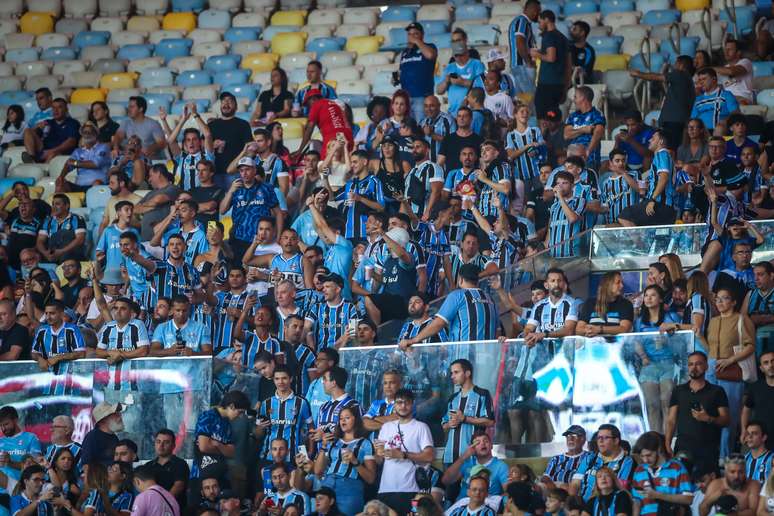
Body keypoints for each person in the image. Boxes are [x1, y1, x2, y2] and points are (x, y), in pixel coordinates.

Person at [399, 264, 498, 349]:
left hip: (463, 357)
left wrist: (414, 340)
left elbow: (439, 323)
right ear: (477, 279)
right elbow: (497, 331)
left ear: (460, 279)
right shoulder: (491, 299)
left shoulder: (458, 295)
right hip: (488, 358)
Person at [666, 351, 730, 472]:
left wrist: (708, 418)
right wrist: (667, 444)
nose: (694, 367)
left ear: (706, 366)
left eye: (698, 364)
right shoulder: (678, 390)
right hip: (682, 448)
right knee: (682, 485)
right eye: (690, 364)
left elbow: (726, 420)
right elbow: (671, 420)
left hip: (708, 449)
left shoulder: (717, 391)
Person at [375, 388, 434, 515]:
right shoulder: (386, 427)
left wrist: (403, 455)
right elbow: (379, 460)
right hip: (385, 488)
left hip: (411, 489)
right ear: (394, 405)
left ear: (412, 403)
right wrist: (378, 453)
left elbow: (429, 456)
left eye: (406, 402)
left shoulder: (421, 427)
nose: (403, 406)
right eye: (399, 402)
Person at [313, 406, 376, 515]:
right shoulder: (333, 441)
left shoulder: (365, 444)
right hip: (327, 484)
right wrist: (323, 446)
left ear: (356, 420)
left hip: (350, 487)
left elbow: (371, 479)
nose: (343, 420)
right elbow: (318, 471)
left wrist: (355, 461)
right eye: (341, 418)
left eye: (347, 417)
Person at [219, 157, 281, 260]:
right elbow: (222, 210)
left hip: (261, 239)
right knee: (239, 271)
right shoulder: (236, 188)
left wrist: (278, 237)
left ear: (254, 170)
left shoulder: (266, 188)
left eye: (247, 169)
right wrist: (230, 191)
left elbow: (278, 213)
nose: (244, 173)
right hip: (239, 238)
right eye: (241, 170)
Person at [618, 130, 677, 227]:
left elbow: (664, 178)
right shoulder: (664, 156)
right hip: (666, 207)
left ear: (660, 142)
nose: (649, 140)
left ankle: (639, 243)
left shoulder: (661, 154)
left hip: (660, 204)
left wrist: (652, 200)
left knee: (625, 215)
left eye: (653, 138)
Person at [441, 359, 495, 466]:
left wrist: (465, 419)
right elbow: (444, 424)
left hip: (473, 457)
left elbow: (490, 422)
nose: (452, 376)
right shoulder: (453, 398)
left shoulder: (482, 394)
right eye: (452, 373)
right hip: (450, 456)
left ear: (467, 373)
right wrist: (449, 424)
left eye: (456, 372)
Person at [630, 431, 694, 516]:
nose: (645, 460)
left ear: (659, 449)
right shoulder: (639, 470)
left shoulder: (676, 467)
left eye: (649, 455)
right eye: (642, 456)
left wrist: (658, 495)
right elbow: (637, 501)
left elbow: (688, 498)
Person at [570, 424, 635, 502]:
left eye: (605, 438)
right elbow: (575, 484)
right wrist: (573, 503)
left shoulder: (627, 462)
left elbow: (621, 488)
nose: (600, 441)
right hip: (583, 505)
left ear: (616, 441)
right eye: (599, 438)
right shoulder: (590, 458)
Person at [160, 104, 215, 191]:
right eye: (188, 140)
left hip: (202, 196)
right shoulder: (181, 157)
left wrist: (195, 114)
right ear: (185, 143)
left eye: (194, 139)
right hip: (184, 198)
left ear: (200, 142)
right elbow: (171, 141)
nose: (191, 142)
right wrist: (183, 119)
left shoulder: (207, 157)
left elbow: (207, 134)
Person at [442, 431, 509, 500]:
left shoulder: (501, 466)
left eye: (485, 441)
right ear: (473, 448)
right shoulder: (467, 463)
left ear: (491, 445)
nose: (482, 443)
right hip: (463, 503)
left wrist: (496, 501)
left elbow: (509, 492)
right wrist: (464, 456)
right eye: (478, 443)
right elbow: (446, 480)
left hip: (487, 504)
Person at [208, 92, 254, 185]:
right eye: (223, 101)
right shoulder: (211, 125)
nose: (226, 104)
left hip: (235, 173)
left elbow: (250, 149)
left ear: (236, 107)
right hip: (214, 174)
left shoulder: (243, 124)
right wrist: (212, 145)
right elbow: (202, 147)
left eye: (230, 101)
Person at [436, 29, 485, 116]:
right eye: (453, 41)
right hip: (453, 114)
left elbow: (482, 87)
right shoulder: (449, 67)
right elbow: (439, 91)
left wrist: (463, 82)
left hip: (472, 114)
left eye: (458, 40)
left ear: (465, 41)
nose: (456, 44)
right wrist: (446, 82)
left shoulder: (477, 65)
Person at [294, 89, 353, 161]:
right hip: (347, 136)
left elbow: (309, 129)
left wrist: (300, 150)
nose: (309, 107)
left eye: (308, 103)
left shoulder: (316, 104)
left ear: (313, 99)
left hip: (332, 138)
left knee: (325, 166)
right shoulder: (335, 103)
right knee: (344, 163)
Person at [531, 10, 569, 119]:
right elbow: (568, 63)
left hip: (547, 84)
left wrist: (536, 54)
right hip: (559, 84)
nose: (539, 25)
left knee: (543, 116)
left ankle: (544, 136)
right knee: (552, 116)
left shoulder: (549, 36)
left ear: (547, 19)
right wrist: (565, 87)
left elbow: (551, 57)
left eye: (540, 22)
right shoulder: (563, 37)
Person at [31, 300, 85, 374]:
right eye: (46, 313)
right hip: (47, 375)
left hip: (69, 375)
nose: (48, 317)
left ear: (61, 314)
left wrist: (58, 357)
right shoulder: (42, 330)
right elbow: (34, 353)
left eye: (52, 313)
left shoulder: (72, 329)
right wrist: (39, 358)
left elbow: (81, 353)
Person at [398, 23, 439, 122]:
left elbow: (430, 55)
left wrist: (417, 41)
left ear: (422, 35)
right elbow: (401, 70)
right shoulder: (404, 52)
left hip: (422, 96)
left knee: (422, 126)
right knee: (408, 128)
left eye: (415, 34)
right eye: (409, 34)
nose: (411, 36)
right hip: (406, 97)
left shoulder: (429, 47)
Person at [56, 121, 111, 192]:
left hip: (97, 184)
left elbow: (95, 164)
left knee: (97, 183)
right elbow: (68, 164)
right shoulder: (78, 151)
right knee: (60, 183)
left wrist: (75, 163)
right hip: (79, 185)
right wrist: (61, 176)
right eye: (84, 132)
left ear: (96, 134)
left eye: (89, 132)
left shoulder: (103, 147)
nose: (87, 134)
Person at [22, 97, 79, 164]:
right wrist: (36, 127)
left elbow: (71, 142)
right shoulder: (48, 122)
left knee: (53, 154)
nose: (56, 110)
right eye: (53, 108)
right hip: (43, 151)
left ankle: (43, 170)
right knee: (27, 131)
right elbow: (30, 138)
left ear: (66, 109)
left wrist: (51, 151)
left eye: (59, 107)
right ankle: (32, 159)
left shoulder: (72, 123)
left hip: (59, 152)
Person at [576, 271, 634, 337]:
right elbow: (578, 329)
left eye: (622, 283)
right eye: (618, 283)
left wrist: (599, 329)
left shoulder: (625, 304)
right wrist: (588, 330)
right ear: (608, 285)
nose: (622, 286)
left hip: (616, 346)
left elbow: (624, 329)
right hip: (593, 345)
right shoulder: (590, 303)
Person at [134, 164, 181, 241]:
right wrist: (151, 206)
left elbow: (158, 200)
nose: (149, 179)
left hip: (162, 239)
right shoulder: (151, 193)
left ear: (158, 173)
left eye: (151, 175)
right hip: (145, 239)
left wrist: (144, 206)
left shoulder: (173, 188)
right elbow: (135, 209)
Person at [545, 170, 586, 257]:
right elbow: (550, 229)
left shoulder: (579, 201)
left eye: (564, 183)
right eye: (558, 183)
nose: (560, 186)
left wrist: (559, 196)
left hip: (572, 255)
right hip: (554, 255)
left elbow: (572, 219)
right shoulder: (554, 206)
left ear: (572, 185)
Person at [564, 86, 606, 170]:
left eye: (575, 97)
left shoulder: (597, 114)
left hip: (590, 159)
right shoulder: (572, 116)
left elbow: (598, 133)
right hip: (573, 159)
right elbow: (567, 135)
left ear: (583, 98)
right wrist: (583, 130)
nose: (573, 100)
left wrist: (588, 152)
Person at [146, 429, 189, 510]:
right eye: (158, 441)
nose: (161, 445)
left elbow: (179, 486)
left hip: (175, 509)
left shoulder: (180, 463)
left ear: (173, 445)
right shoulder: (148, 466)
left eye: (166, 442)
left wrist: (161, 504)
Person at [691, 67, 740, 136]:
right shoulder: (697, 99)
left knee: (719, 129)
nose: (701, 82)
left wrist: (726, 120)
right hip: (701, 132)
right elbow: (693, 118)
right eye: (699, 80)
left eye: (704, 79)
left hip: (720, 130)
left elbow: (736, 112)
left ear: (714, 79)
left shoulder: (726, 95)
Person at [508, 0, 540, 94]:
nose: (539, 14)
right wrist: (528, 62)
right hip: (522, 66)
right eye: (538, 11)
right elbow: (520, 42)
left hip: (520, 67)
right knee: (529, 99)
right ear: (534, 11)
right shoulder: (522, 21)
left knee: (522, 100)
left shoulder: (524, 22)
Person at [80, 402, 123, 472]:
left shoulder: (114, 437)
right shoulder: (92, 437)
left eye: (118, 413)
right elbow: (86, 465)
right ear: (103, 420)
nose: (120, 416)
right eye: (115, 414)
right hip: (99, 480)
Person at [742, 351, 774, 444]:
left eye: (773, 361)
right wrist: (744, 431)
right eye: (766, 363)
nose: (770, 365)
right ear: (761, 368)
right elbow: (746, 410)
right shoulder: (755, 388)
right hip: (761, 441)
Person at [438, 107, 483, 172]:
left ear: (471, 119)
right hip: (451, 179)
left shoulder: (479, 140)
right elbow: (440, 162)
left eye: (465, 116)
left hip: (472, 179)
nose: (461, 118)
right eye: (459, 116)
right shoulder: (448, 139)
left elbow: (482, 163)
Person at [715, 38, 754, 104]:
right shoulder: (723, 69)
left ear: (738, 52)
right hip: (727, 98)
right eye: (725, 49)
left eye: (729, 49)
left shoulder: (745, 62)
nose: (726, 52)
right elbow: (720, 87)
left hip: (743, 97)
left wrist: (711, 69)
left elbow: (731, 71)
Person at [569, 20, 595, 85]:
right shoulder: (566, 46)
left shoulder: (589, 50)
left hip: (580, 84)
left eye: (574, 29)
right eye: (571, 29)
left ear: (582, 32)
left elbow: (585, 72)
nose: (571, 31)